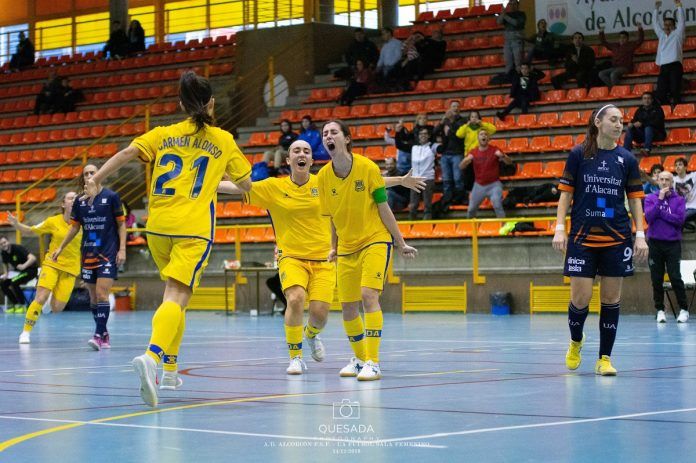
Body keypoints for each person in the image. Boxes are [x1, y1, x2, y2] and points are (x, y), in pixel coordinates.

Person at [76, 71, 252, 407]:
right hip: (192, 229)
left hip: (156, 226)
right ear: (212, 103)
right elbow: (245, 185)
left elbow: (127, 153)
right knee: (176, 295)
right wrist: (222, 181)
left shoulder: (163, 134)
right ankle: (153, 358)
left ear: (181, 104)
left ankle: (170, 370)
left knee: (175, 300)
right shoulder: (223, 140)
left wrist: (95, 179)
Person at [219, 140, 425, 374]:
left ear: (311, 160)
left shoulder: (324, 182)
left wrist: (399, 180)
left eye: (306, 150)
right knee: (295, 298)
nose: (301, 154)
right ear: (288, 160)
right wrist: (209, 184)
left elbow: (366, 183)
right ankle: (295, 357)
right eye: (296, 151)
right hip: (291, 258)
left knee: (319, 315)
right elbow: (241, 188)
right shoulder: (273, 187)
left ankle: (310, 334)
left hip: (324, 259)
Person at [318, 120, 418, 381]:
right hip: (347, 248)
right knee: (348, 308)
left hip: (375, 239)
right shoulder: (323, 177)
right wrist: (333, 247)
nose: (329, 136)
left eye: (333, 132)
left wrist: (400, 241)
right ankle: (360, 358)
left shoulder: (367, 168)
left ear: (346, 139)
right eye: (325, 133)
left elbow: (384, 207)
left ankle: (373, 361)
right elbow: (331, 218)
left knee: (367, 295)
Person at [552, 104, 648, 376]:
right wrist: (560, 228)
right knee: (580, 299)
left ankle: (604, 358)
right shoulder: (578, 155)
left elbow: (635, 199)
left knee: (611, 299)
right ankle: (575, 341)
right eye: (614, 120)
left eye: (622, 121)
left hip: (617, 237)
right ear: (598, 122)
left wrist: (639, 234)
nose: (620, 125)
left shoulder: (627, 159)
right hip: (582, 238)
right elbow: (566, 196)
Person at [52, 164, 125, 350]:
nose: (90, 175)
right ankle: (104, 332)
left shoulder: (111, 197)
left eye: (93, 172)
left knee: (102, 294)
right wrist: (60, 247)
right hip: (88, 253)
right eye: (86, 174)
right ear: (83, 178)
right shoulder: (79, 202)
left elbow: (121, 225)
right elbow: (74, 227)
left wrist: (122, 249)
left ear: (100, 174)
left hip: (107, 252)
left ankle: (98, 335)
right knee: (93, 298)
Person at [8, 193, 82, 343]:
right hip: (52, 263)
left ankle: (48, 302)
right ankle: (25, 332)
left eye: (76, 198)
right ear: (63, 204)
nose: (74, 200)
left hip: (71, 269)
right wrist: (17, 225)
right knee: (40, 297)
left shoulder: (84, 222)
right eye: (70, 198)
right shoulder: (53, 221)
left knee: (57, 308)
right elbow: (31, 230)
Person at [644, 171, 688, 323]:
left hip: (673, 244)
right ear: (658, 181)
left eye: (667, 180)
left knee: (675, 277)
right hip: (655, 244)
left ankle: (684, 309)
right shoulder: (650, 198)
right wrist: (660, 201)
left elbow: (680, 220)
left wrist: (661, 213)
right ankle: (660, 310)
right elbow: (649, 218)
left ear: (672, 182)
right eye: (661, 179)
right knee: (656, 279)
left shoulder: (679, 200)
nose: (664, 182)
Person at [460, 130, 512, 218]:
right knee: (471, 209)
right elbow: (461, 166)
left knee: (497, 205)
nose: (483, 136)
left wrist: (502, 156)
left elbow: (509, 162)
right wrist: (465, 161)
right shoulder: (473, 152)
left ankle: (504, 229)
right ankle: (470, 229)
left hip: (494, 184)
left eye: (485, 134)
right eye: (481, 134)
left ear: (488, 138)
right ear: (478, 138)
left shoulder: (495, 149)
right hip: (479, 185)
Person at [395, 127, 438, 220]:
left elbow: (443, 148)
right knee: (413, 204)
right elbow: (399, 145)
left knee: (427, 203)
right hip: (414, 179)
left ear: (429, 136)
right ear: (418, 136)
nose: (423, 135)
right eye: (421, 134)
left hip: (428, 178)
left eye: (425, 133)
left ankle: (427, 223)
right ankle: (411, 222)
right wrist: (398, 132)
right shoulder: (413, 147)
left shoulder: (432, 146)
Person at [455, 110, 497, 198]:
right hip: (469, 156)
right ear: (469, 118)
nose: (474, 118)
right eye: (472, 117)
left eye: (476, 117)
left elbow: (493, 130)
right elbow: (458, 134)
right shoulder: (466, 128)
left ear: (479, 118)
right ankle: (471, 195)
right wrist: (466, 125)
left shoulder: (482, 128)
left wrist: (482, 124)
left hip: (481, 155)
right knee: (469, 176)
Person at [653, 0, 685, 106]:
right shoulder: (661, 35)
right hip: (664, 67)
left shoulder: (677, 34)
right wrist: (656, 9)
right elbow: (655, 23)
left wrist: (679, 6)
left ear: (674, 26)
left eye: (669, 24)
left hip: (675, 66)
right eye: (665, 24)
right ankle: (666, 108)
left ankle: (677, 107)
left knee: (675, 88)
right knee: (661, 90)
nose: (667, 26)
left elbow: (682, 21)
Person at [433, 101, 465, 204]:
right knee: (446, 179)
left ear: (459, 109)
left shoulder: (462, 121)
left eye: (457, 106)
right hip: (445, 154)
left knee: (458, 178)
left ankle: (459, 198)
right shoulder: (445, 121)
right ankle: (447, 199)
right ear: (450, 109)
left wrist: (450, 123)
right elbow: (434, 132)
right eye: (453, 106)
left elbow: (458, 135)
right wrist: (442, 122)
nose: (455, 108)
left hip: (457, 153)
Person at [0, 235, 38, 313]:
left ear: (8, 242)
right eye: (1, 244)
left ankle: (22, 305)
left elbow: (33, 258)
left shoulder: (17, 248)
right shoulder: (3, 253)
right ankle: (15, 304)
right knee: (3, 284)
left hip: (31, 271)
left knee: (14, 282)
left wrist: (24, 266)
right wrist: (6, 274)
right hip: (19, 273)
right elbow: (5, 263)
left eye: (4, 242)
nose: (4, 245)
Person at [497, 0, 526, 75]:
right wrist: (502, 14)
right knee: (508, 61)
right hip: (507, 41)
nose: (512, 6)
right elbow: (499, 22)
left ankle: (520, 76)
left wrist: (505, 16)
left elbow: (516, 23)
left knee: (518, 61)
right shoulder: (507, 14)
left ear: (518, 5)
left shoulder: (521, 14)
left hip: (517, 41)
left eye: (514, 4)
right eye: (510, 4)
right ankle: (509, 78)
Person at [673, 157, 696, 231]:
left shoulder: (693, 176)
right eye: (676, 165)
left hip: (693, 207)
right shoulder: (673, 179)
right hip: (680, 208)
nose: (677, 167)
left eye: (680, 165)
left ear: (686, 167)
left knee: (680, 218)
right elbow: (656, 183)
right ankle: (687, 225)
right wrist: (646, 177)